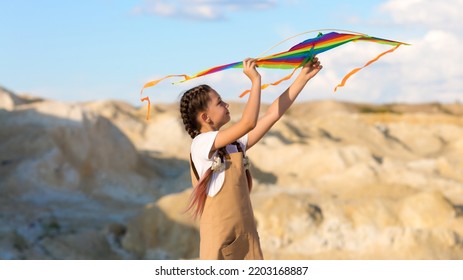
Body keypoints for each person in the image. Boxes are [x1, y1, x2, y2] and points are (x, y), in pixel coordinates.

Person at [179, 57, 322, 260]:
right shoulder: (201, 144)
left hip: (245, 240)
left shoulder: (234, 144)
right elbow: (248, 123)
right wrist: (255, 81)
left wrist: (302, 77)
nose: (226, 104)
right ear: (206, 118)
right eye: (220, 102)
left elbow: (273, 113)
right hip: (221, 244)